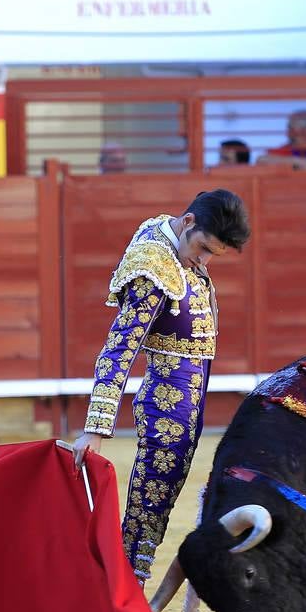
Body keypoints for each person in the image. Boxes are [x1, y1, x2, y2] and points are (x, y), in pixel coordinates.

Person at [73, 189, 250, 586]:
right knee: (147, 513)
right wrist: (96, 428)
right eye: (202, 248)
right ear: (187, 222)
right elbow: (117, 350)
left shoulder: (170, 241)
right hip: (166, 410)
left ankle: (120, 591)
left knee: (152, 510)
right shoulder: (153, 268)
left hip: (185, 406)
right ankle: (119, 595)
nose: (202, 262)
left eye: (212, 256)